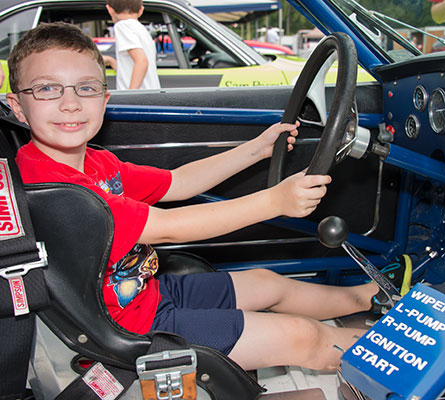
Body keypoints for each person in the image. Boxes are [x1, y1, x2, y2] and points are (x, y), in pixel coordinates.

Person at [6, 22, 411, 372]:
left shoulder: (96, 162)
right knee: (301, 336)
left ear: (105, 98)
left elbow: (178, 182)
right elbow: (167, 227)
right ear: (17, 107)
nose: (71, 102)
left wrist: (255, 149)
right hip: (130, 328)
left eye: (86, 87)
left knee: (268, 284)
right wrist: (274, 202)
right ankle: (404, 354)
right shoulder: (55, 188)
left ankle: (369, 297)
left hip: (148, 293)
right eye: (46, 89)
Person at [104, 0, 160, 89]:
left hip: (137, 99)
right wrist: (112, 61)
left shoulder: (122, 26)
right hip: (149, 96)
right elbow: (129, 69)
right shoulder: (141, 29)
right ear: (141, 11)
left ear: (109, 9)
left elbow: (142, 61)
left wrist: (131, 94)